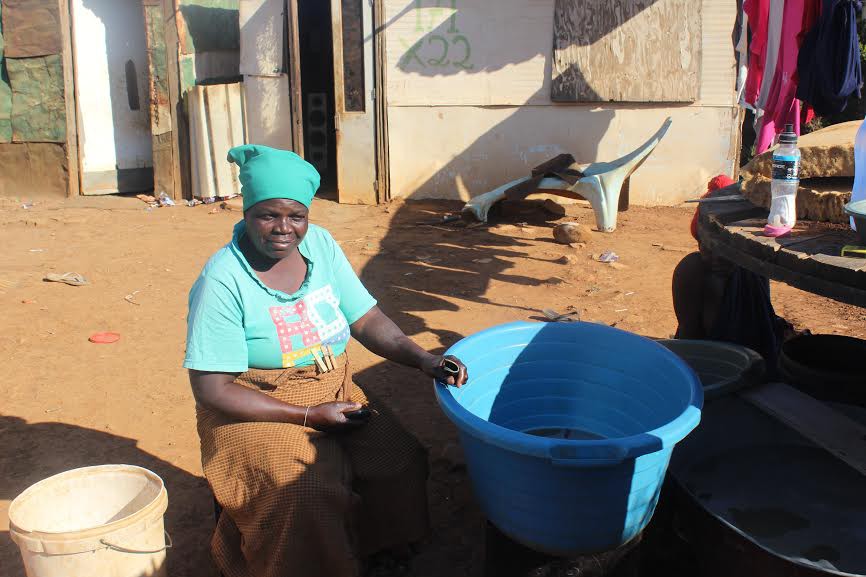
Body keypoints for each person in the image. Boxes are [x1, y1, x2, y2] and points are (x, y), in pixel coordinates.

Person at [184, 144, 468, 577]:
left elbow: (366, 317)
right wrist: (308, 415)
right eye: (268, 215)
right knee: (302, 494)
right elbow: (212, 388)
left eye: (296, 216)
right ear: (246, 213)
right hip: (255, 404)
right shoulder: (222, 280)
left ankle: (374, 550)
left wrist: (423, 360)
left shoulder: (320, 246)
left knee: (399, 460)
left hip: (334, 387)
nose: (284, 228)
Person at [672, 175, 793, 374]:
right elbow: (687, 338)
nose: (716, 256)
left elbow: (763, 337)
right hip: (706, 368)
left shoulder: (753, 271)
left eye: (725, 249)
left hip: (753, 367)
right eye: (707, 246)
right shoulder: (692, 271)